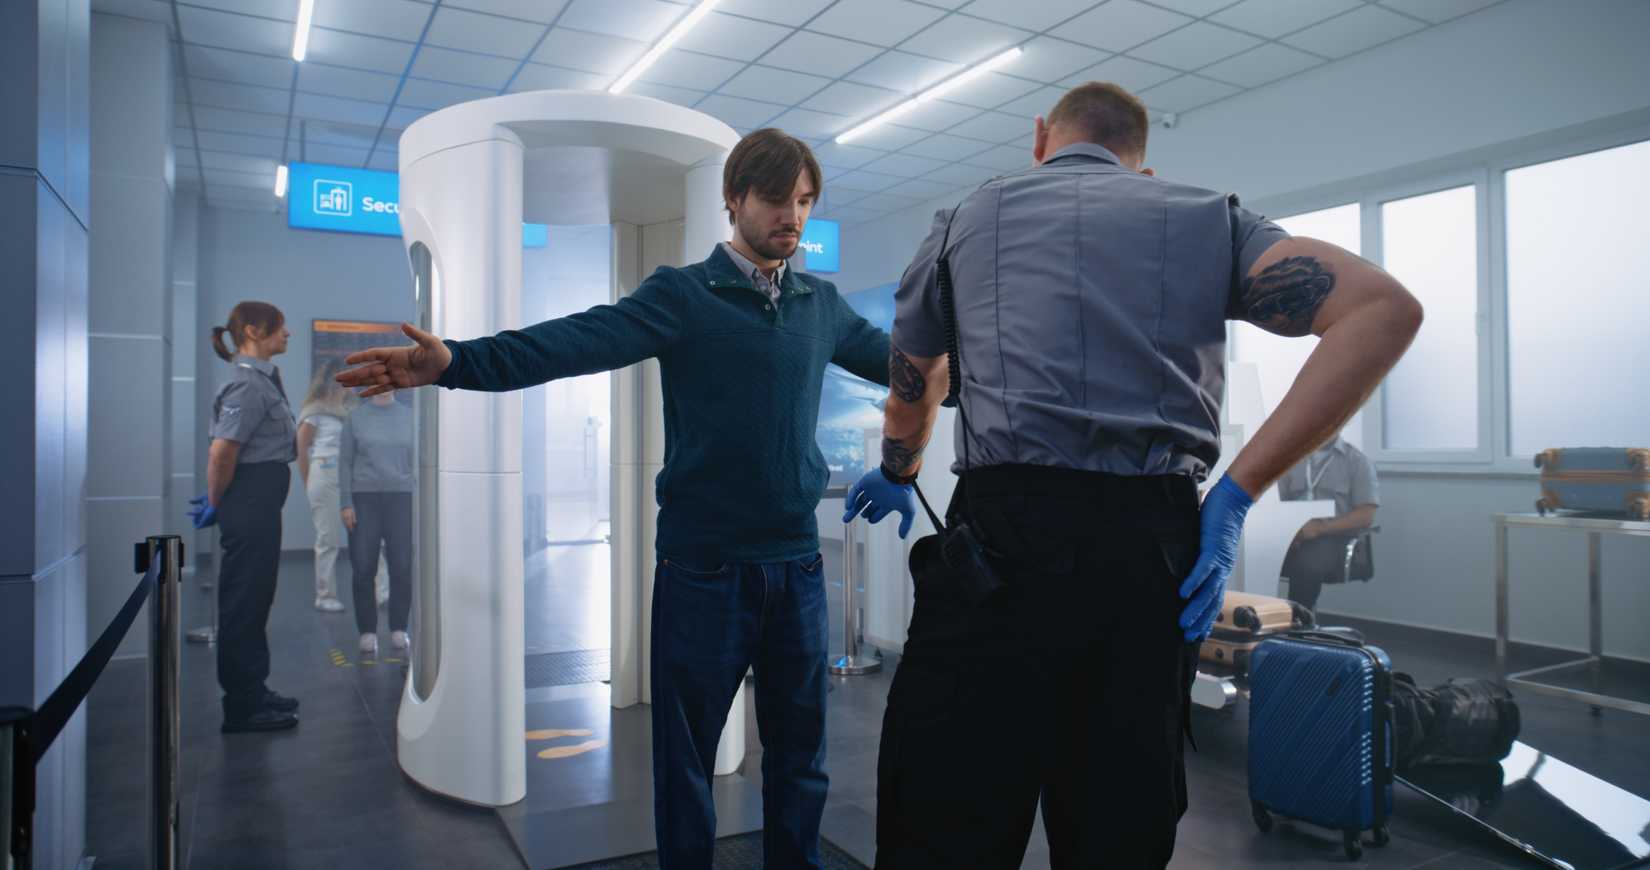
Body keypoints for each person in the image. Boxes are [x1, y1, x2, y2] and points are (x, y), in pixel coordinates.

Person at [844, 82, 1423, 868]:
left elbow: (916, 385)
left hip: (999, 553)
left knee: (943, 823)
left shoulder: (965, 221)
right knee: (1118, 824)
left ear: (1040, 137)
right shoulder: (1205, 219)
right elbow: (1384, 311)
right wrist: (1235, 495)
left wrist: (898, 465)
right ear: (1142, 167)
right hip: (1148, 558)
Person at [337, 128, 891, 869]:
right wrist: (456, 362)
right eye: (776, 198)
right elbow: (571, 342)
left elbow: (903, 367)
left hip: (797, 572)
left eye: (805, 201)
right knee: (686, 765)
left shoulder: (819, 306)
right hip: (704, 573)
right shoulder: (685, 294)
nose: (793, 215)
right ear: (734, 199)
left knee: (800, 760)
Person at [188, 301, 304, 733]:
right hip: (250, 502)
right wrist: (217, 502)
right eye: (280, 327)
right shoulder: (248, 387)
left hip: (257, 501)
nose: (288, 333)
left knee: (255, 598)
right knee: (244, 600)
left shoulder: (263, 382)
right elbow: (223, 452)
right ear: (253, 332)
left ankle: (253, 689)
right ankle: (243, 704)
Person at [297, 361, 390, 614]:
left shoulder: (352, 410)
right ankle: (324, 595)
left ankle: (382, 592)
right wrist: (308, 483)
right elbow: (301, 450)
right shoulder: (315, 410)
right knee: (328, 539)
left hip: (353, 478)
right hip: (324, 475)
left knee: (369, 535)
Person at [339, 390, 415, 656]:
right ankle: (367, 631)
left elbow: (418, 461)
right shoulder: (355, 418)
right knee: (363, 567)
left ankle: (398, 627)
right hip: (364, 498)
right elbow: (345, 462)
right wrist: (345, 503)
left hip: (402, 498)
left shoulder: (410, 417)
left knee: (402, 566)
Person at [1277, 432, 1380, 610]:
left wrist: (1319, 528)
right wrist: (1289, 531)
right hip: (1293, 533)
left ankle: (1298, 625)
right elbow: (1275, 503)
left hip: (1334, 537)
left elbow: (1366, 515)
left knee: (1307, 564)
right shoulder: (1290, 458)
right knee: (1248, 551)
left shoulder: (1357, 461)